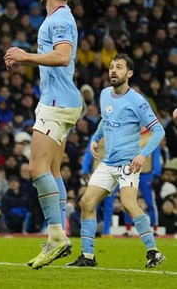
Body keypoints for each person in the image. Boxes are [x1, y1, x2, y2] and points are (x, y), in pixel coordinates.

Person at [4, 0, 81, 269]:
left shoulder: (59, 20)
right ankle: (58, 234)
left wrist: (25, 56)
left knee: (36, 168)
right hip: (61, 101)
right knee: (53, 171)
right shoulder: (60, 17)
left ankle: (57, 236)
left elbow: (62, 56)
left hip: (56, 104)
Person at [67, 54, 166, 269]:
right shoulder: (104, 94)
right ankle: (88, 256)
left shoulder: (138, 101)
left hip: (128, 164)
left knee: (130, 204)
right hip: (107, 163)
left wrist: (142, 155)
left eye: (119, 67)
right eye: (112, 67)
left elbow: (159, 130)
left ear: (129, 73)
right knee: (86, 202)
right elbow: (106, 120)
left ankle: (153, 251)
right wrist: (95, 139)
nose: (114, 70)